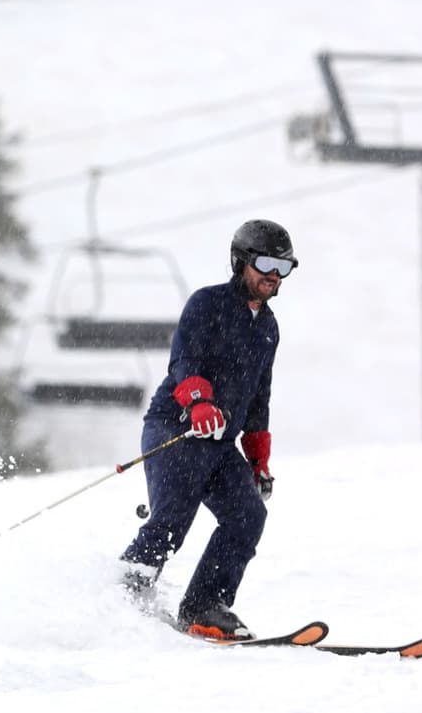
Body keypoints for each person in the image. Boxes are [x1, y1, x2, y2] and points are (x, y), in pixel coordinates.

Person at [120, 219, 298, 641]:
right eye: (267, 264)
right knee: (172, 520)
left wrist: (258, 459)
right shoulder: (207, 304)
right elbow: (184, 361)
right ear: (241, 262)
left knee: (247, 516)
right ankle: (124, 597)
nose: (274, 275)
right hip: (175, 429)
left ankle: (203, 607)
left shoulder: (268, 329)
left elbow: (259, 399)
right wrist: (198, 402)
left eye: (284, 267)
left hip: (218, 444)